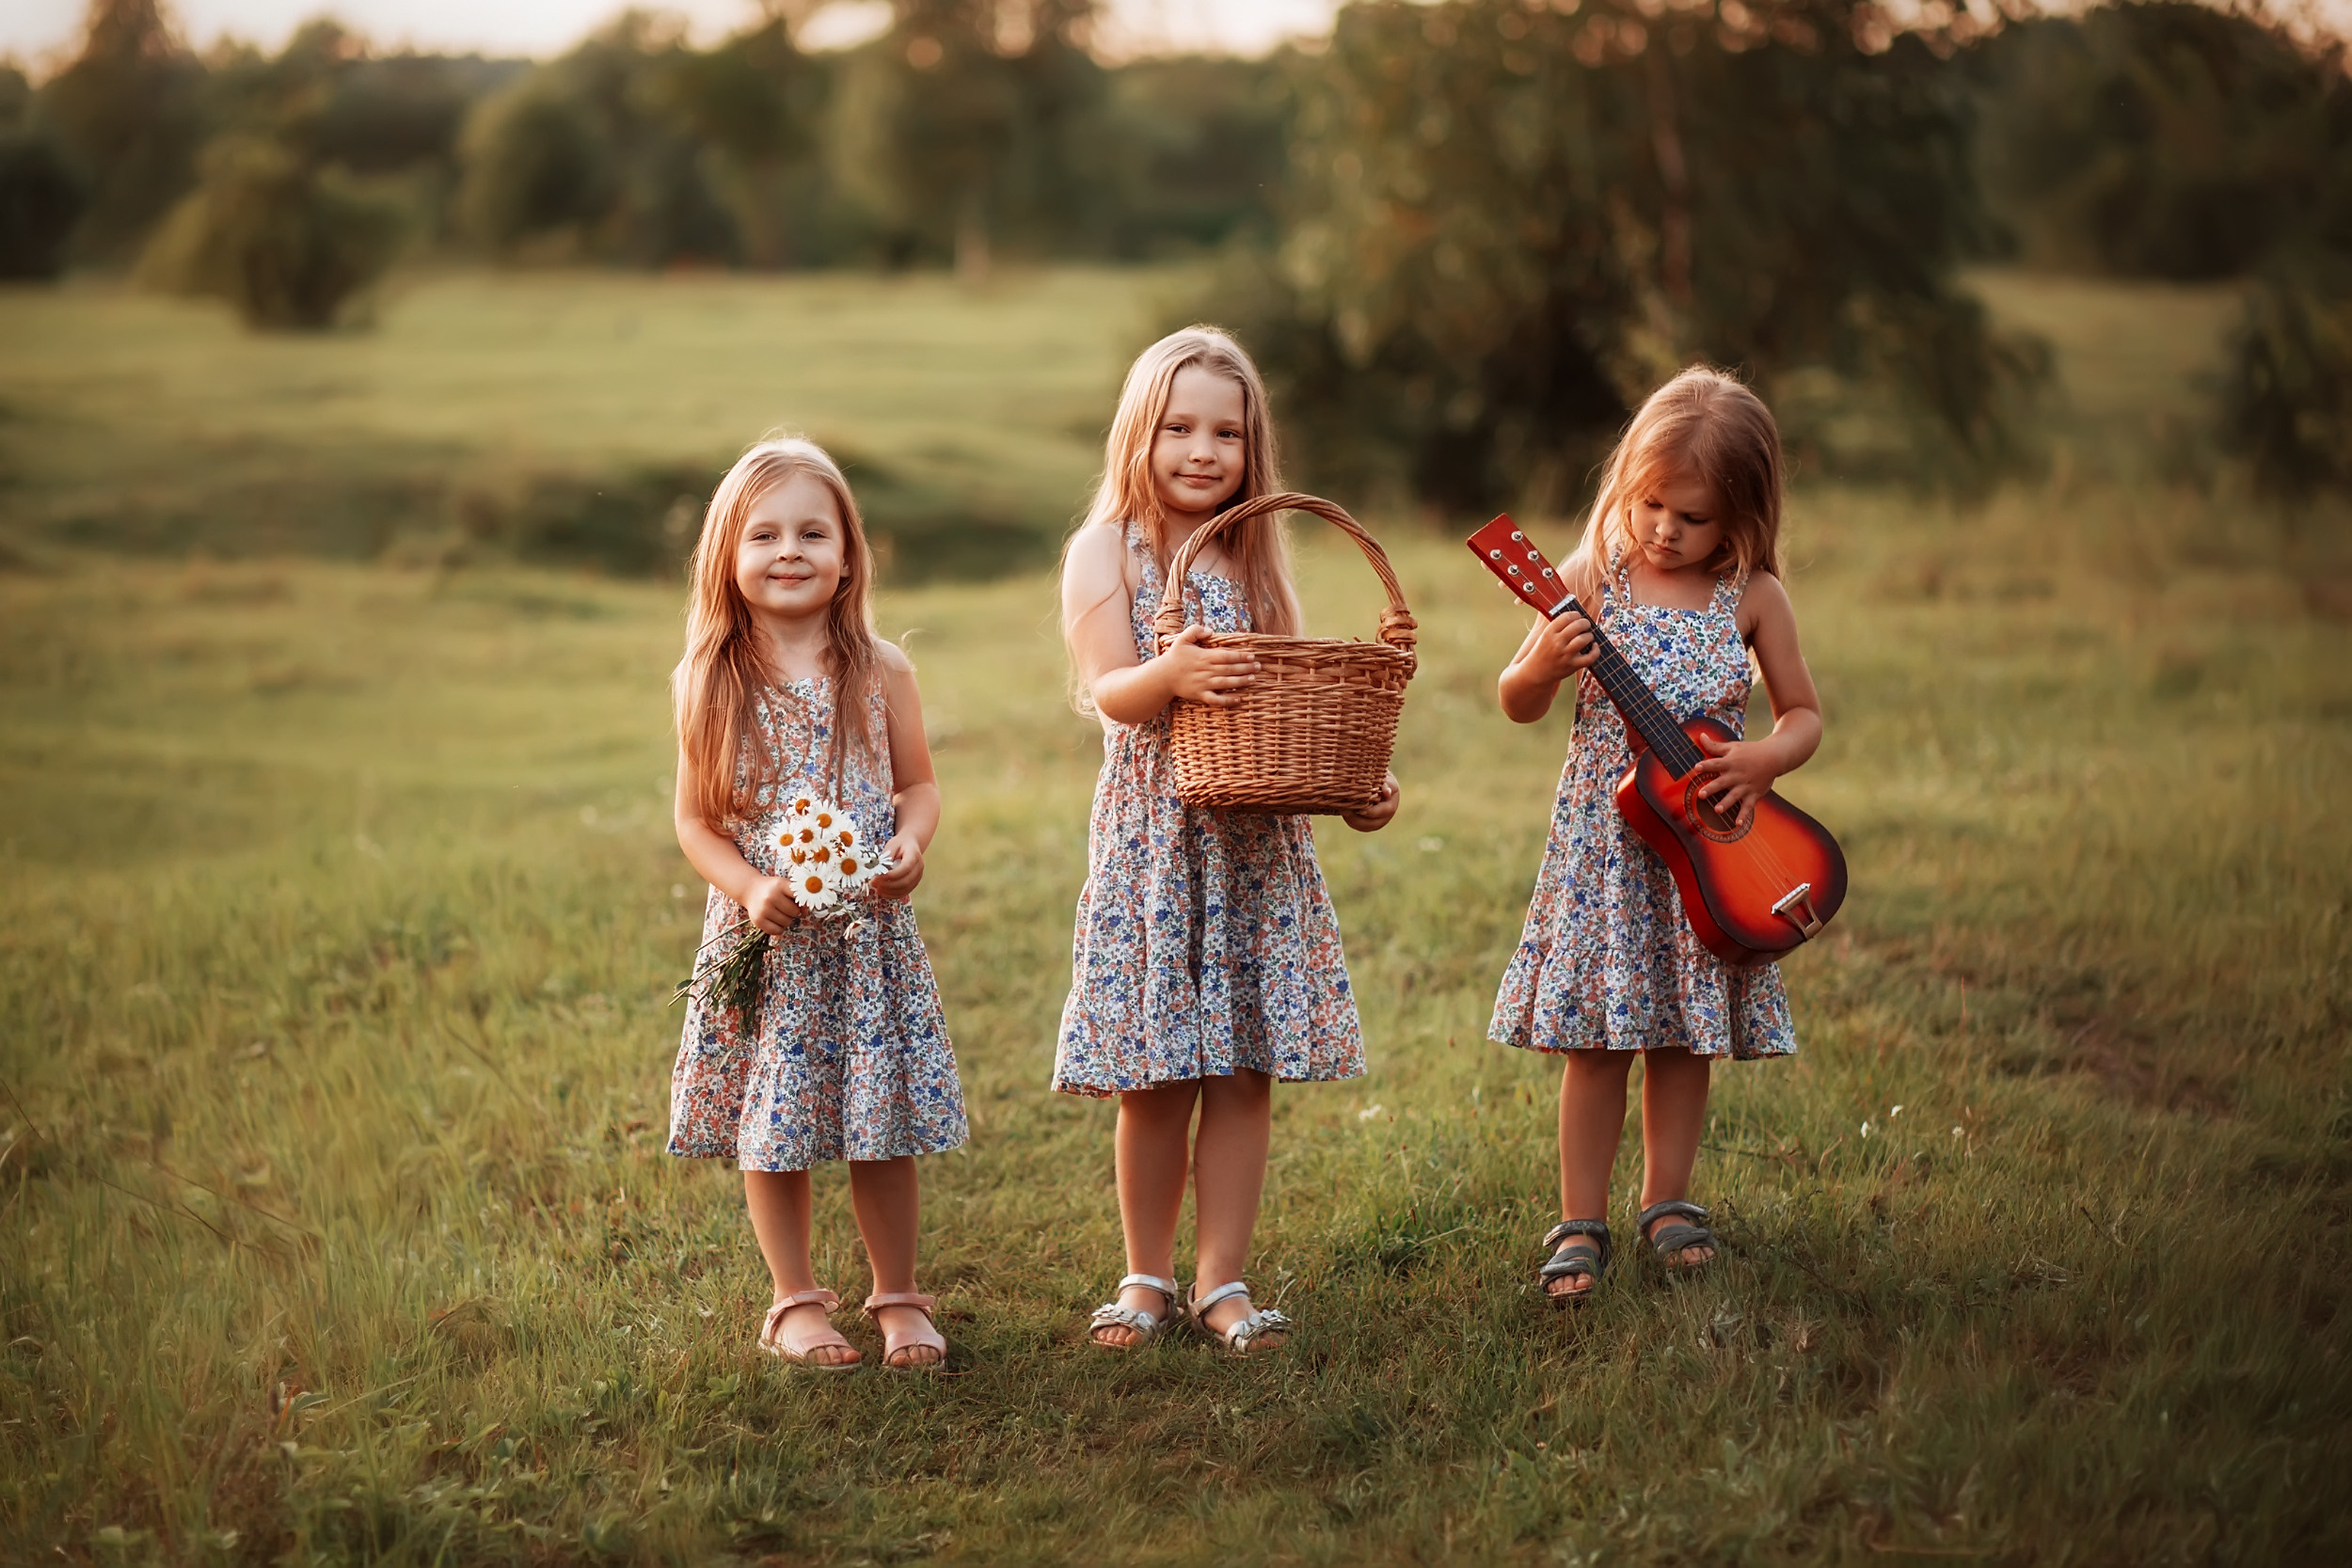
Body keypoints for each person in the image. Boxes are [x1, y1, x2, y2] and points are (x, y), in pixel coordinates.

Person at [1054, 326, 1401, 1354]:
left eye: (1227, 432)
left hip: (1251, 841)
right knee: (1155, 1072)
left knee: (1243, 1067)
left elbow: (1287, 691)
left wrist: (1358, 783)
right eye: (1178, 427)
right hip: (1157, 839)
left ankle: (1222, 1280)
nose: (1202, 451)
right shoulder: (1108, 546)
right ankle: (1145, 1275)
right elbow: (1110, 688)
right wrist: (1169, 677)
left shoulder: (1253, 548)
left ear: (1254, 448)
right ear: (1138, 432)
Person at [1488, 367, 1823, 1304]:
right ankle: (1578, 1218)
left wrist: (1760, 760)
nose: (1665, 528)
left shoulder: (1750, 594)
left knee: (1684, 1037)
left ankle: (1668, 1201)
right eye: (1649, 502)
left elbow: (1802, 713)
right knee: (1594, 1041)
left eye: (1693, 515)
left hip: (1705, 856)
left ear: (1743, 518)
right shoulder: (1595, 571)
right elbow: (1514, 698)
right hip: (1605, 850)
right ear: (1624, 483)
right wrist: (1545, 664)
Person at [665, 436, 968, 1369]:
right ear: (727, 554)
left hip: (867, 935)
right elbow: (695, 821)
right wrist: (751, 884)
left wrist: (911, 842)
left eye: (810, 531)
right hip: (772, 936)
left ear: (847, 557)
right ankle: (793, 1298)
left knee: (880, 1116)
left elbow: (917, 786)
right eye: (762, 532)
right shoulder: (710, 680)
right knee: (777, 1119)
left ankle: (898, 1293)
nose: (787, 548)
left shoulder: (880, 671)